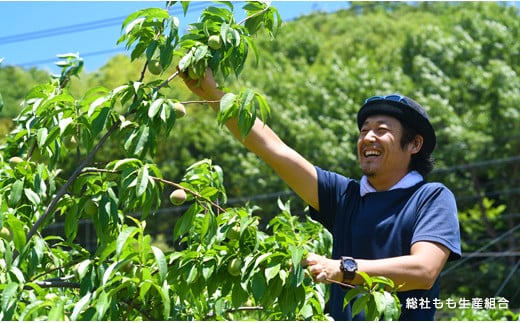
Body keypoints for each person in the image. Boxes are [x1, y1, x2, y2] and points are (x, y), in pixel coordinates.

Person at [182, 69, 461, 321]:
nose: (368, 138)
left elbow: (424, 271)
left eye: (381, 130)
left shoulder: (431, 197)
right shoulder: (345, 196)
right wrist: (213, 93)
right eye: (364, 131)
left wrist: (343, 269)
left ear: (414, 144)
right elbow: (273, 149)